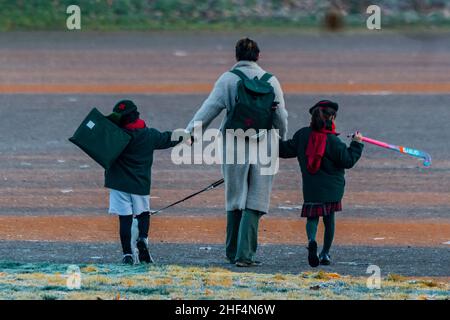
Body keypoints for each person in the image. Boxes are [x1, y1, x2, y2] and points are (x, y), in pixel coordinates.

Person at [185, 38, 288, 267]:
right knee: (257, 200)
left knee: (235, 198)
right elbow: (281, 116)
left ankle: (232, 252)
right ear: (258, 56)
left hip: (234, 144)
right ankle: (245, 255)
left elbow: (209, 109)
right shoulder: (271, 81)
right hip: (265, 146)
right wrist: (280, 138)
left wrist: (191, 133)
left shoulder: (228, 79)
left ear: (236, 56)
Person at [279, 100, 363, 267]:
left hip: (311, 188)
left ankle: (311, 240)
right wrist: (356, 144)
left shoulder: (303, 135)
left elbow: (285, 150)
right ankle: (325, 253)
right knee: (329, 219)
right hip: (333, 188)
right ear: (331, 117)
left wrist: (272, 134)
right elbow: (348, 160)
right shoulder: (333, 141)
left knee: (312, 217)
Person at [105, 99, 180, 265]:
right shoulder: (149, 135)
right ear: (136, 115)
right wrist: (185, 135)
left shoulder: (115, 135)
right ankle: (143, 239)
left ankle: (127, 254)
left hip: (118, 183)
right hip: (140, 184)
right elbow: (168, 138)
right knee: (143, 214)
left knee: (124, 219)